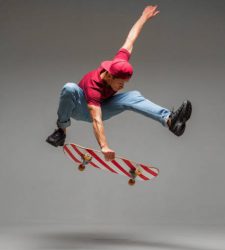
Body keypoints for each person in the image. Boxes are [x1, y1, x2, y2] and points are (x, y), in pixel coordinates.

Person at [46, 5, 192, 161]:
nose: (123, 86)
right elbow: (96, 119)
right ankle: (61, 131)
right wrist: (104, 146)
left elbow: (130, 39)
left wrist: (143, 17)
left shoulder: (118, 64)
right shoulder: (93, 86)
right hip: (82, 109)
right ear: (109, 76)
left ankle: (170, 120)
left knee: (133, 96)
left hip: (104, 105)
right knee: (70, 88)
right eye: (120, 83)